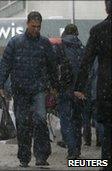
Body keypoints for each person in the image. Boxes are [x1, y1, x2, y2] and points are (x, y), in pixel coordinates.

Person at [0, 11, 59, 167]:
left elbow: (52, 66)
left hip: (39, 89)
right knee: (23, 123)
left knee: (40, 121)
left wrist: (54, 86)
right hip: (21, 90)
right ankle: (24, 156)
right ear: (27, 24)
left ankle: (41, 156)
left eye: (38, 27)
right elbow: (5, 65)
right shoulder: (15, 43)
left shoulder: (44, 43)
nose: (36, 29)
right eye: (33, 26)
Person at [74, 0, 111, 170]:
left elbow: (86, 61)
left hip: (106, 87)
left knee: (108, 128)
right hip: (105, 87)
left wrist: (79, 87)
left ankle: (106, 162)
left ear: (106, 8)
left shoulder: (98, 31)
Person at [54, 24, 85, 158]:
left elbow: (53, 67)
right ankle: (77, 149)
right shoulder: (82, 48)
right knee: (77, 120)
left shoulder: (59, 47)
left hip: (65, 88)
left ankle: (72, 150)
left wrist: (53, 86)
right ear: (77, 34)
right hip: (80, 90)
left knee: (66, 120)